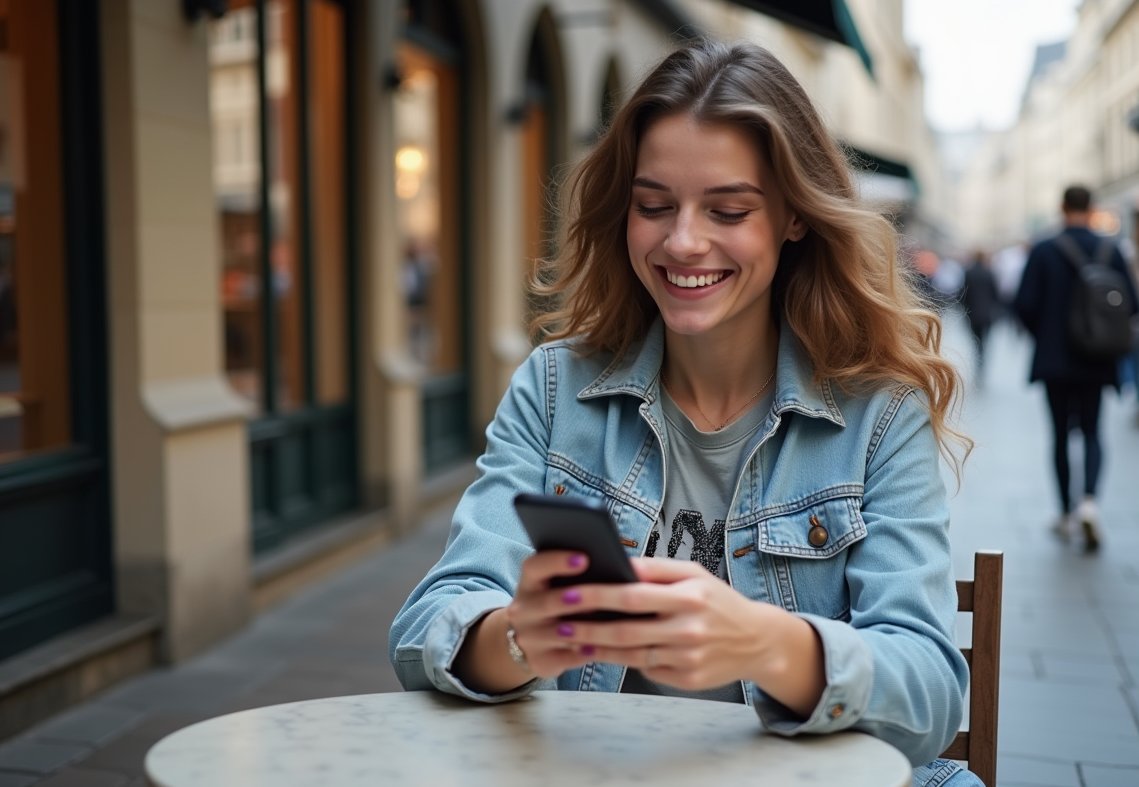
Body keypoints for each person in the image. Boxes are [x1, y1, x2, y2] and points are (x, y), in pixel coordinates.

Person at [390, 41, 980, 787]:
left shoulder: (879, 415)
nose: (682, 241)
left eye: (728, 209)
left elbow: (928, 703)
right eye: (653, 206)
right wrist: (515, 639)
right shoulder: (552, 388)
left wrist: (767, 644)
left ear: (794, 217)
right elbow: (424, 630)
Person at [1013, 186, 1138, 551]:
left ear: (1062, 207)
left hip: (1055, 360)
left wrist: (1048, 333)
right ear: (1092, 208)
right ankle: (1090, 502)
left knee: (1060, 435)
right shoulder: (1110, 249)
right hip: (1097, 359)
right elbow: (1131, 303)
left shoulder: (1044, 249)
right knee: (1094, 430)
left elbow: (1024, 304)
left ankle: (1066, 512)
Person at [960, 250, 1000, 383]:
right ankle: (981, 360)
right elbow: (996, 294)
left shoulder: (969, 272)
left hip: (972, 312)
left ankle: (978, 357)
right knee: (984, 339)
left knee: (975, 339)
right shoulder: (989, 273)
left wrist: (964, 308)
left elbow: (963, 293)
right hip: (986, 313)